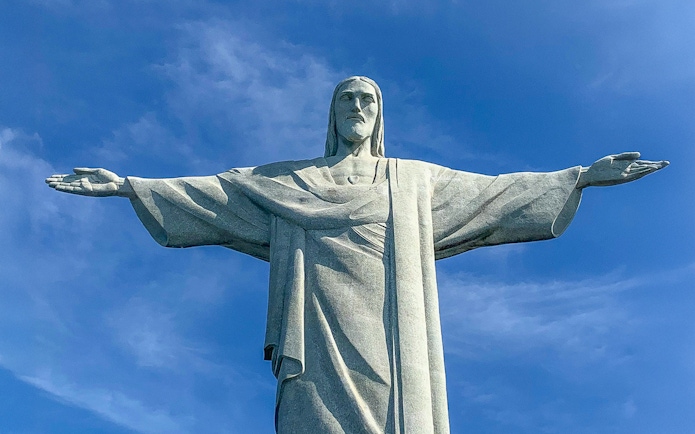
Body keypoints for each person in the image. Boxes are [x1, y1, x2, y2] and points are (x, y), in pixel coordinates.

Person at [46, 76, 668, 434]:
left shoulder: (412, 182)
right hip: (315, 332)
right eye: (346, 100)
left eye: (367, 101)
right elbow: (219, 191)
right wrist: (130, 185)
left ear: (379, 115)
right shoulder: (288, 181)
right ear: (332, 114)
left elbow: (493, 192)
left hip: (394, 334)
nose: (357, 109)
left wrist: (578, 177)